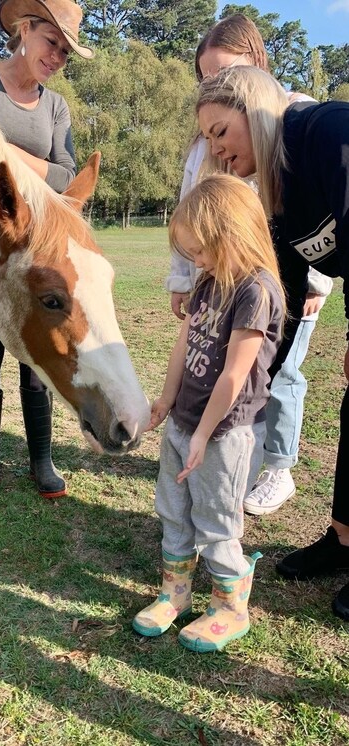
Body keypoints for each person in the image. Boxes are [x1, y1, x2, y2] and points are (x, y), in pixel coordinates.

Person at [196, 64, 349, 621]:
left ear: (254, 110)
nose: (215, 151)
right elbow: (279, 301)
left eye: (220, 132)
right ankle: (344, 541)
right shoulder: (274, 190)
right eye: (207, 139)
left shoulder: (328, 131)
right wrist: (246, 391)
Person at [166, 13, 333, 517]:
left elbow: (314, 223)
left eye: (223, 75)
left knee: (273, 374)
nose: (216, 147)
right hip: (230, 275)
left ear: (254, 73)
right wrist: (186, 275)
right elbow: (195, 204)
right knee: (244, 368)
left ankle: (273, 465)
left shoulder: (308, 126)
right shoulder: (219, 146)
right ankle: (231, 457)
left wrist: (315, 281)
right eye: (205, 78)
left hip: (273, 280)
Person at [0, 0, 93, 508]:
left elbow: (69, 177)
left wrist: (7, 154)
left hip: (37, 256)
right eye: (53, 43)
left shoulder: (57, 107)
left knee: (38, 354)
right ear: (25, 29)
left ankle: (41, 458)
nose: (57, 58)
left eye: (66, 53)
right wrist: (39, 168)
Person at [133, 174, 285, 652]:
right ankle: (175, 593)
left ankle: (229, 605)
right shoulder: (208, 282)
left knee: (217, 522)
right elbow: (184, 345)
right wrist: (165, 400)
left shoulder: (255, 293)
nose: (195, 260)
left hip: (224, 435)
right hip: (184, 424)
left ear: (232, 234)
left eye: (199, 250)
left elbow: (233, 376)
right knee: (174, 511)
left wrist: (202, 434)